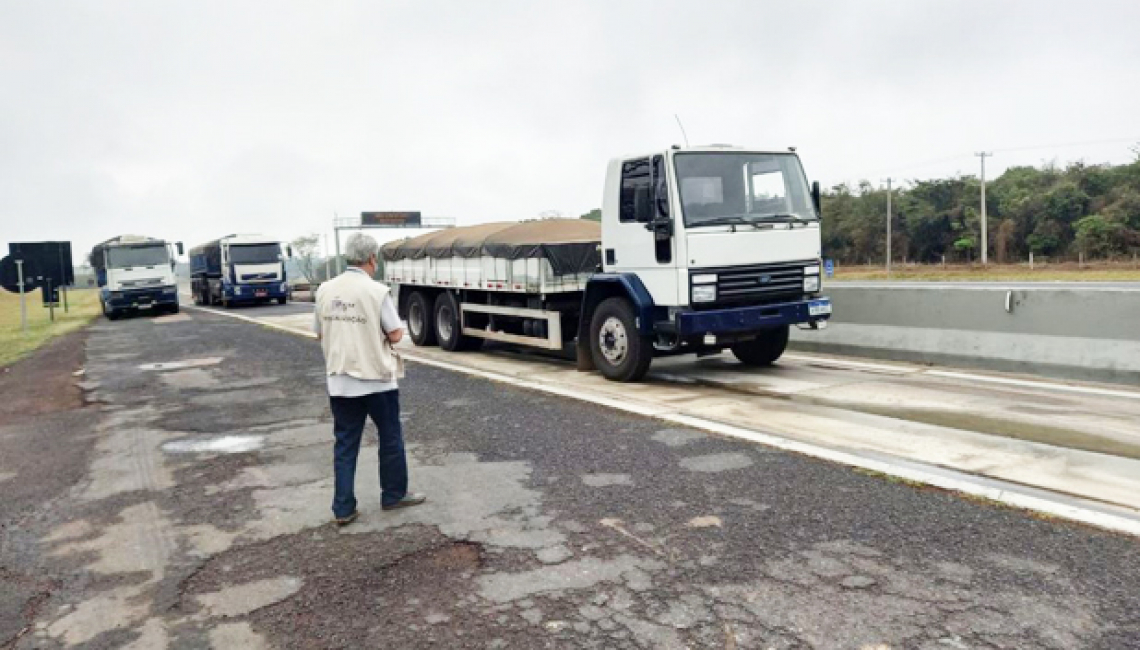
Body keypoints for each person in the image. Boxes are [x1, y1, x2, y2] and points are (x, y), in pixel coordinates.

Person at [314, 233, 425, 526]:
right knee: (389, 438)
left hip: (340, 380)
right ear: (372, 258)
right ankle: (393, 494)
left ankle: (343, 508)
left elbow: (320, 332)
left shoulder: (325, 290)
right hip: (377, 380)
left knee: (345, 443)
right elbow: (396, 333)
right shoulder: (376, 292)